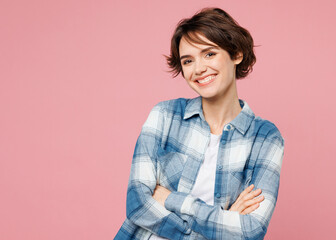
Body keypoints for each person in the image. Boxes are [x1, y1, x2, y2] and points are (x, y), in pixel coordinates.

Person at [115, 7, 284, 240]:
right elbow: (137, 203)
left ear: (236, 55)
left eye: (209, 54)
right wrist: (221, 223)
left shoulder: (265, 137)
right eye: (187, 60)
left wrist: (172, 199)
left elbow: (251, 230)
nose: (199, 68)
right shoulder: (165, 115)